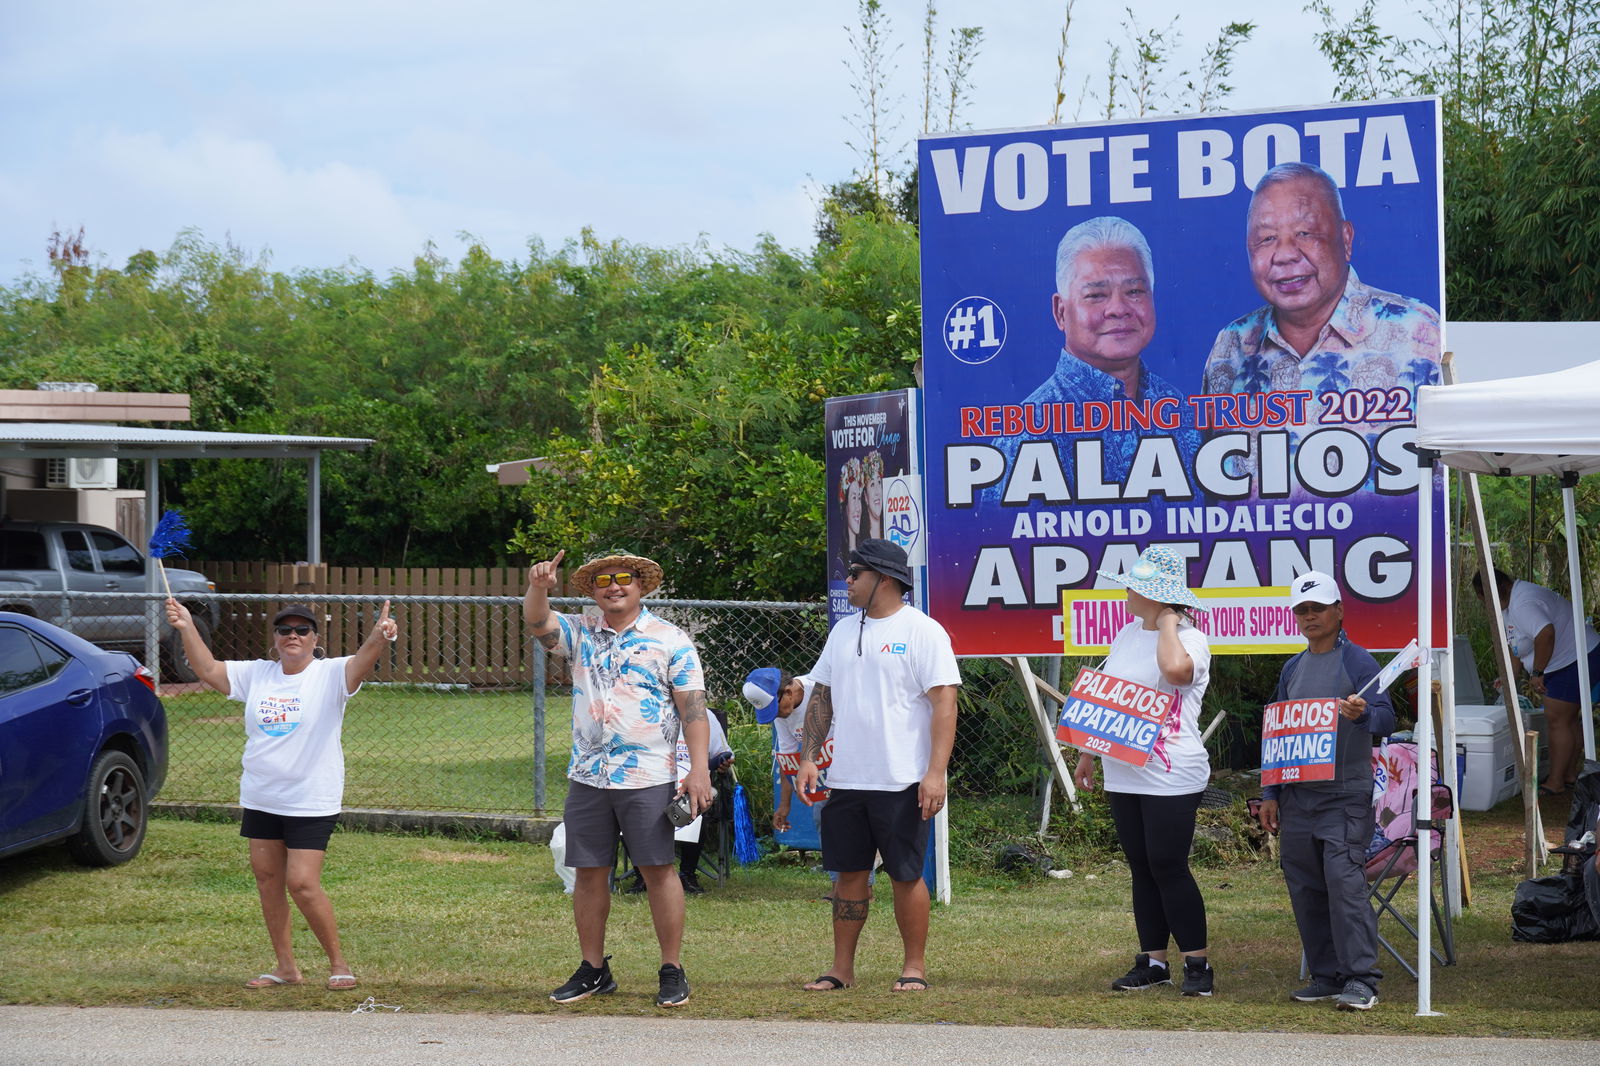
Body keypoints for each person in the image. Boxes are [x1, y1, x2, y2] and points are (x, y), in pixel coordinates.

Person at [164, 597, 398, 991]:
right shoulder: (257, 674)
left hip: (310, 798)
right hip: (262, 796)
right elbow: (206, 668)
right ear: (274, 639)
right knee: (268, 880)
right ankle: (286, 967)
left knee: (302, 883)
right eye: (285, 630)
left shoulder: (330, 674)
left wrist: (377, 637)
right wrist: (187, 626)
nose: (293, 636)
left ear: (314, 638)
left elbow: (361, 664)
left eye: (302, 630)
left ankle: (339, 964)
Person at [524, 549, 714, 1009]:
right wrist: (538, 587)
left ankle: (672, 969)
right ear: (593, 590)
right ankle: (594, 970)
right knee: (589, 873)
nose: (614, 585)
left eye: (624, 578)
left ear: (641, 585)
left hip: (649, 775)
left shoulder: (671, 639)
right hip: (589, 775)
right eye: (604, 579)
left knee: (658, 872)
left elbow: (693, 708)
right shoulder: (580, 631)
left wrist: (699, 770)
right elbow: (537, 623)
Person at [795, 538, 961, 992]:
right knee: (848, 873)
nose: (846, 582)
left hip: (903, 779)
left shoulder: (923, 631)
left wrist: (934, 773)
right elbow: (822, 695)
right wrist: (809, 758)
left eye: (855, 574)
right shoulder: (844, 631)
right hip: (848, 778)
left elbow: (945, 704)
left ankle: (914, 968)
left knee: (906, 874)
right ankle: (841, 969)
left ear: (884, 580)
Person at [1202, 162, 1442, 431]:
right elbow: (1213, 465)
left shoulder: (1418, 332)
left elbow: (1449, 461)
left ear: (1346, 239)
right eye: (1267, 238)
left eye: (1304, 233)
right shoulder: (1230, 345)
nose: (1284, 255)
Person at [1072, 545, 1215, 996]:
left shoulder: (1189, 639)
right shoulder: (1127, 634)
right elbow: (1108, 696)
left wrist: (1169, 621)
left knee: (1168, 864)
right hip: (1125, 768)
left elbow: (1175, 672)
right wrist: (1088, 752)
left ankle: (1198, 965)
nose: (1126, 593)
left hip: (1171, 771)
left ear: (1158, 594)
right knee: (1141, 866)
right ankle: (1153, 961)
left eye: (1135, 586)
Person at [1256, 571, 1396, 1012]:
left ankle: (1362, 980)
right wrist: (1271, 792)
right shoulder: (1292, 667)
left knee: (1343, 883)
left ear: (1339, 611)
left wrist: (1360, 715)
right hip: (1297, 797)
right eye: (1302, 609)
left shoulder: (1358, 661)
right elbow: (1278, 733)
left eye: (1317, 608)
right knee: (1305, 886)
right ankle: (1327, 976)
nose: (1309, 616)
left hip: (1344, 797)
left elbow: (1387, 719)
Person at [993, 216, 1200, 503]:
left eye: (1135, 291)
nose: (1118, 308)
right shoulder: (1028, 434)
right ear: (1061, 312)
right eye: (1096, 295)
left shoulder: (1178, 410)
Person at [1473, 568, 1600, 796]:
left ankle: (1555, 782)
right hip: (1567, 659)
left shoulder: (1523, 604)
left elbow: (1545, 634)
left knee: (1557, 720)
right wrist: (1509, 676)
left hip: (1574, 658)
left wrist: (1538, 672)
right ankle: (1568, 775)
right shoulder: (1508, 605)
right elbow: (1515, 643)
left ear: (1485, 594)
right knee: (1567, 720)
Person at [744, 666, 836, 897]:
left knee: (847, 824)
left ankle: (863, 889)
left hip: (855, 771)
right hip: (825, 779)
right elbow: (789, 762)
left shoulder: (824, 691)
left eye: (776, 708)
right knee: (824, 820)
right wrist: (784, 806)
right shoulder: (782, 714)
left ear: (788, 691)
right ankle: (840, 887)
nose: (776, 715)